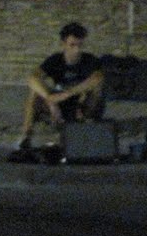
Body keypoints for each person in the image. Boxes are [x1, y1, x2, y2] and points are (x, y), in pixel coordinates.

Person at [17, 22, 105, 151]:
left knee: (96, 89)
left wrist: (67, 93)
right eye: (72, 45)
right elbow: (32, 78)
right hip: (58, 103)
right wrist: (50, 99)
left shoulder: (89, 60)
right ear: (64, 44)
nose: (77, 50)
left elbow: (98, 78)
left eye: (80, 45)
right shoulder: (55, 60)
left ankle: (83, 128)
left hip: (81, 104)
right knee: (34, 93)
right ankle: (26, 136)